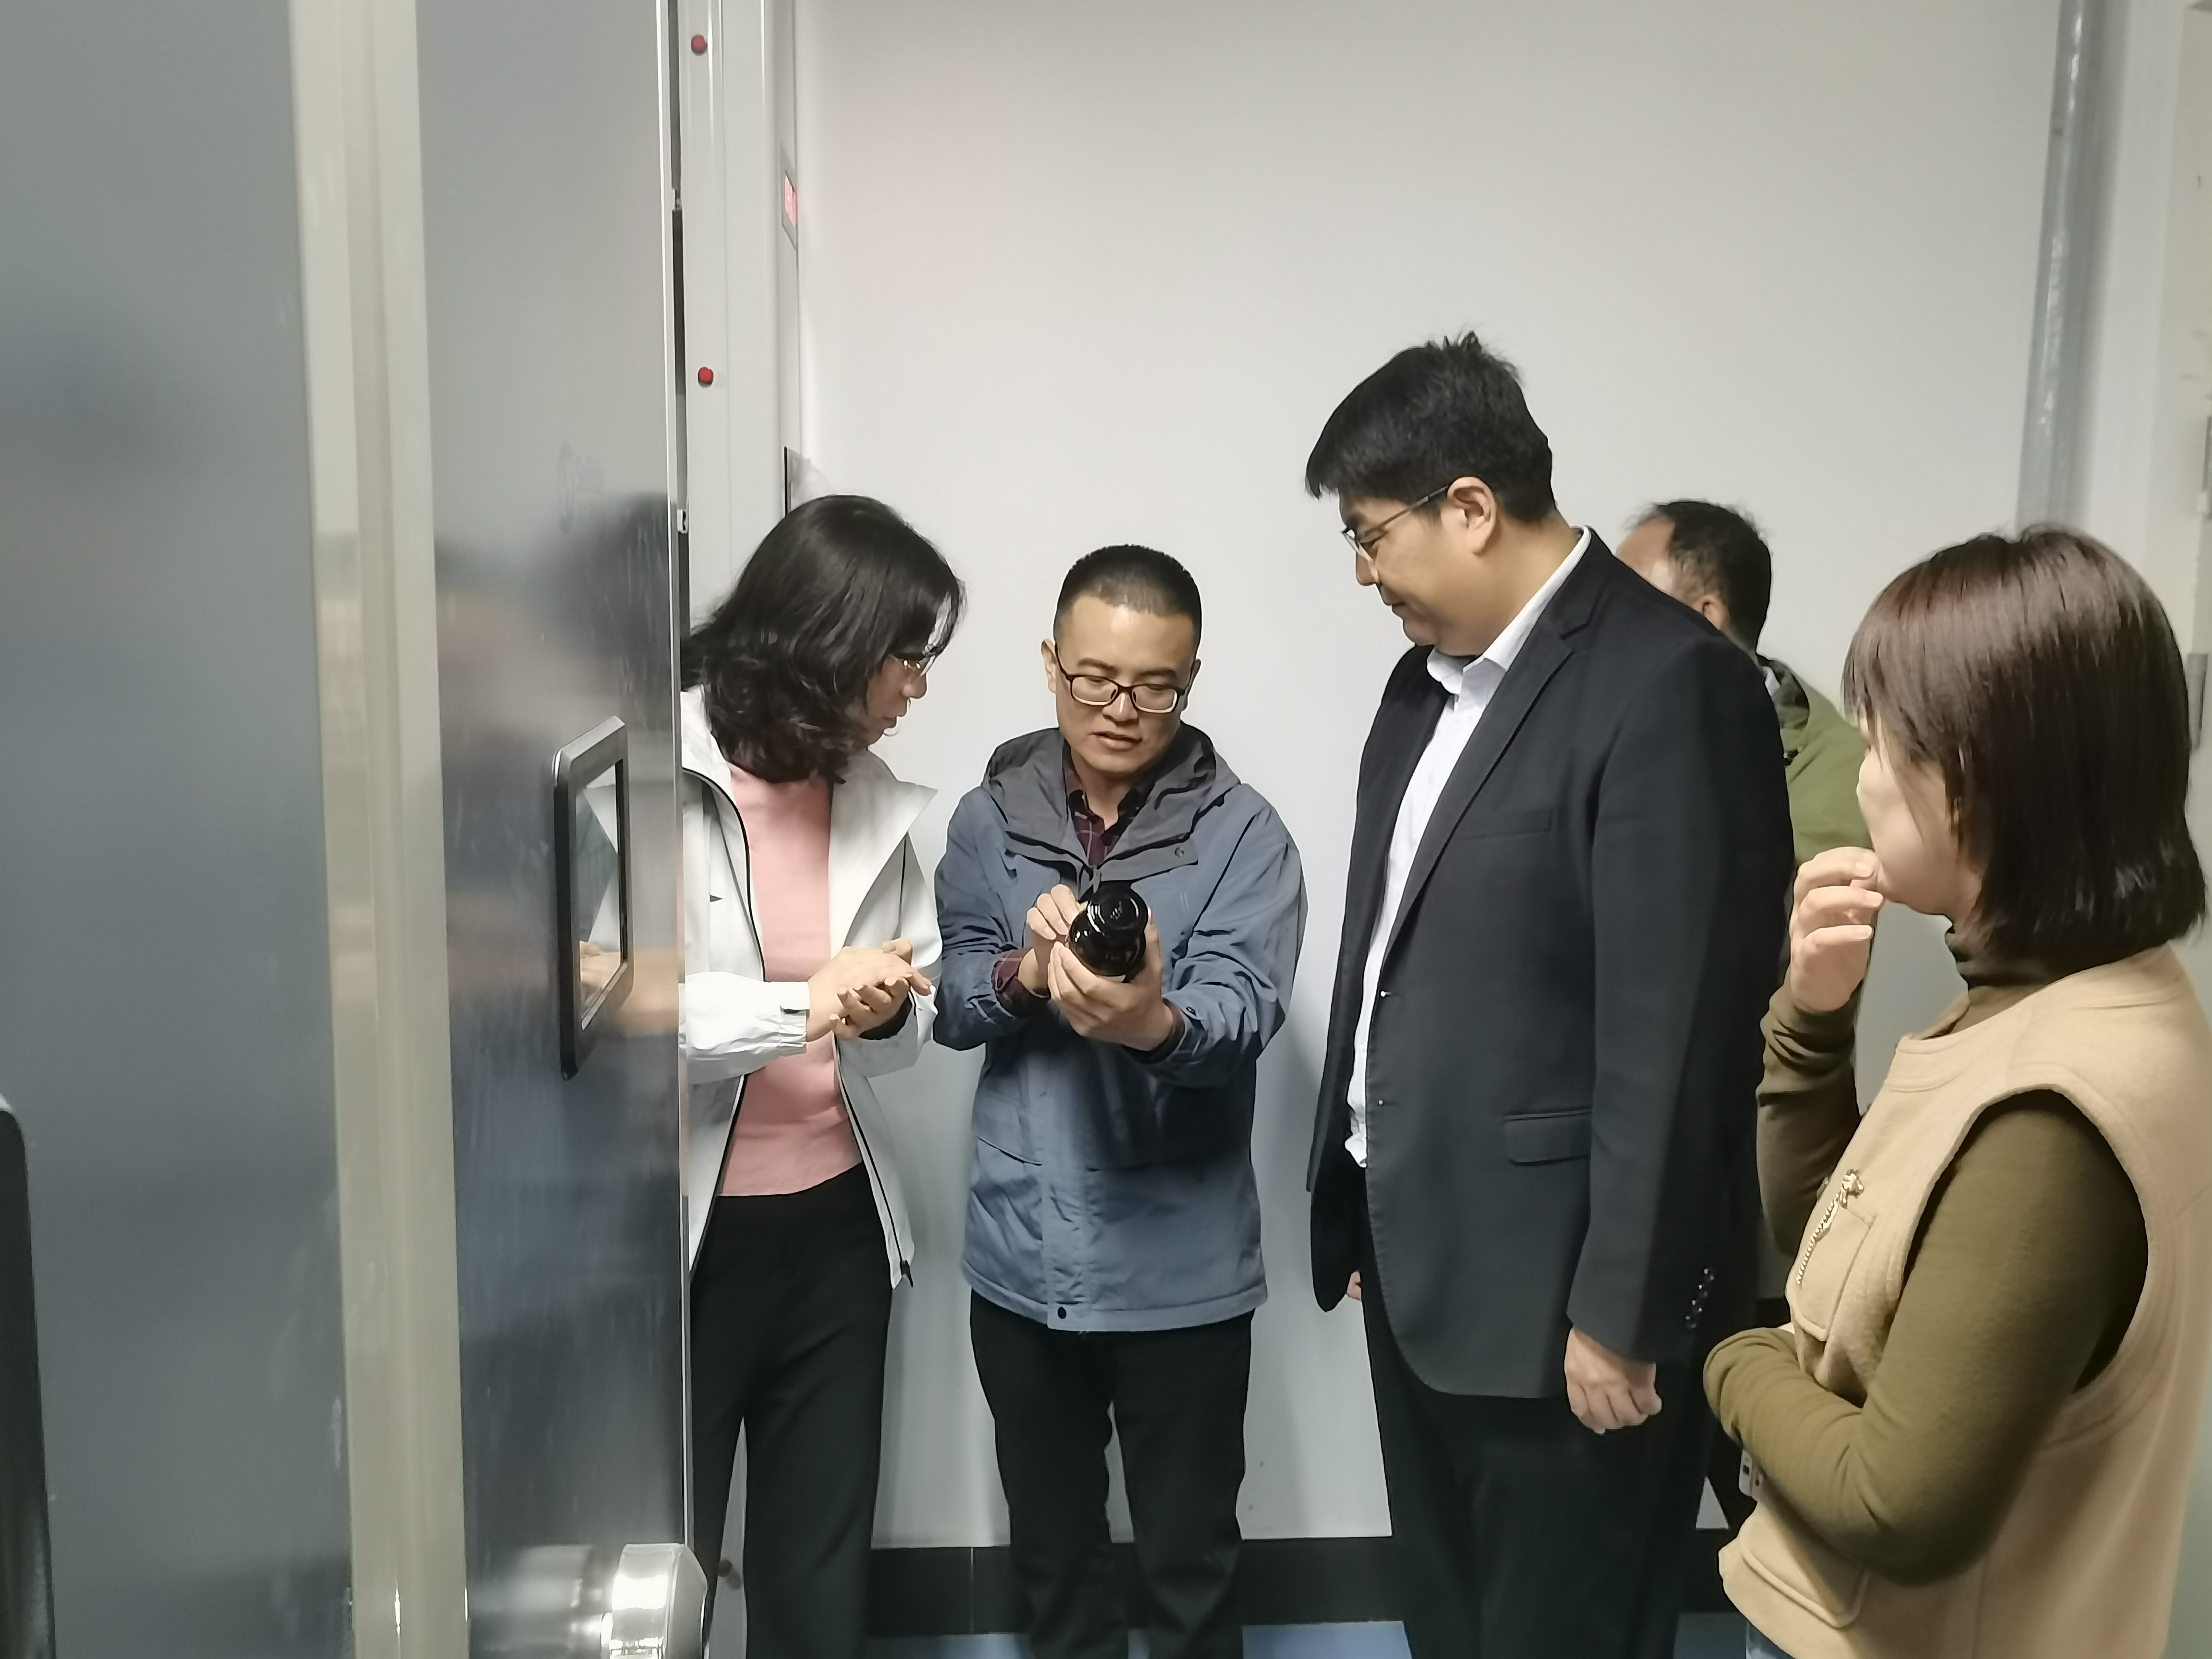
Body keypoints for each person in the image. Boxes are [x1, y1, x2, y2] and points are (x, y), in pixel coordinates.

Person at [1301, 334, 1795, 1659]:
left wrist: (1621, 1314)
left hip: (1569, 1309)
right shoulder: (1421, 689)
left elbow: (1678, 1032)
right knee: (1451, 1625)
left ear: (1469, 506)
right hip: (1421, 1264)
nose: (1364, 573)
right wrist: (1362, 1188)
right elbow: (1392, 952)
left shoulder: (1668, 683)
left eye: (1371, 535)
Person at [1707, 528, 2212, 1659]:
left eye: (1882, 741)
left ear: (1974, 779)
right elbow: (1833, 1237)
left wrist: (1734, 1357)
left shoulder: (2051, 1108)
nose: (1863, 775)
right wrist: (1814, 1017)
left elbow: (1898, 1504)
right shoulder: (2089, 992)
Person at [934, 546, 1306, 1659]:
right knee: (1054, 1566)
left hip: (1180, 1274)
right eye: (1095, 679)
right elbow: (946, 997)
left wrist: (1149, 1019)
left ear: (1191, 679)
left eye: (1156, 687)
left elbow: (1243, 1011)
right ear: (1051, 661)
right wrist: (1024, 975)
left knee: (1191, 1571)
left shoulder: (1245, 833)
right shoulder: (989, 818)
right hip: (1021, 1260)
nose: (1122, 710)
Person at [678, 494, 962, 1659]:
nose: (917, 687)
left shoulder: (876, 799)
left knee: (818, 1578)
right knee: (666, 1569)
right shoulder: (648, 776)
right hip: (680, 1246)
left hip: (838, 1230)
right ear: (831, 643)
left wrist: (884, 1009)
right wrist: (808, 1003)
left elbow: (900, 1029)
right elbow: (617, 1009)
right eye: (906, 656)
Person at [1619, 499, 1872, 1531]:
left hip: (1761, 1171)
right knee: (1624, 1479)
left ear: (1705, 615)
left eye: (1629, 600)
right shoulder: (1617, 730)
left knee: (1763, 1477)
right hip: (1638, 1166)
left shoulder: (1832, 766)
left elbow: (1744, 949)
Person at [1617, 501, 1867, 869]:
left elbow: (1779, 897)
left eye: (1626, 603)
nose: (1603, 623)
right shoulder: (1590, 718)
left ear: (1704, 619)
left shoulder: (1841, 769)